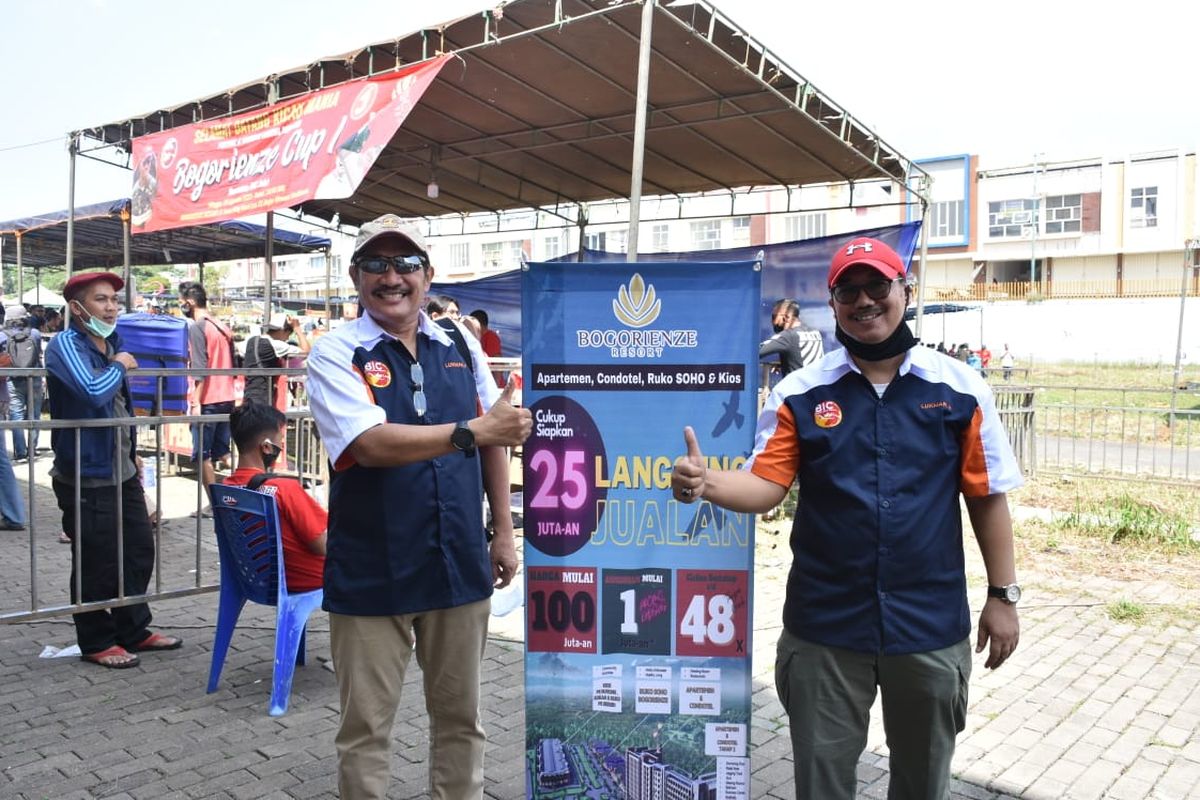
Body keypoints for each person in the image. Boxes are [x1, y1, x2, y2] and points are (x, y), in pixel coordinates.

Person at [671, 237, 1022, 800]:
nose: (864, 300)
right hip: (826, 626)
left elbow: (987, 496)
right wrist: (706, 481)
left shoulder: (959, 388)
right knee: (823, 780)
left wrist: (1003, 595)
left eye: (877, 286)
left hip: (928, 625)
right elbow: (767, 484)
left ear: (904, 290)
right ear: (832, 305)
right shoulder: (800, 394)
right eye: (848, 290)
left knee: (923, 779)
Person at [306, 213, 532, 799]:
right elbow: (369, 443)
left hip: (458, 561)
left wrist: (503, 532)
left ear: (427, 276)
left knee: (461, 723)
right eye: (376, 264)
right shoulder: (336, 352)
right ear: (356, 277)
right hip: (372, 567)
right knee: (365, 730)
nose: (392, 276)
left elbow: (495, 442)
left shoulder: (459, 343)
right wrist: (472, 431)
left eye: (405, 264)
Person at [45, 271, 181, 669]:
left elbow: (117, 406)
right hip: (85, 473)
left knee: (139, 549)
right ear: (77, 307)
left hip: (120, 468)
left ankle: (133, 628)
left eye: (115, 301)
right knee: (96, 559)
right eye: (102, 300)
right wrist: (120, 365)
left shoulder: (111, 342)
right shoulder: (65, 344)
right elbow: (92, 393)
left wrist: (132, 452)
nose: (111, 308)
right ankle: (96, 639)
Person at [225, 401, 325, 592]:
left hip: (253, 578)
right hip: (304, 581)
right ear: (266, 447)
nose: (282, 445)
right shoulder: (283, 489)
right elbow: (322, 546)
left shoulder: (227, 488)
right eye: (280, 439)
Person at [180, 283, 236, 492]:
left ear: (191, 302)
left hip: (208, 398)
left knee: (202, 454)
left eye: (182, 301)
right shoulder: (221, 326)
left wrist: (195, 402)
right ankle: (250, 487)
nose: (181, 305)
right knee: (223, 451)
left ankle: (214, 504)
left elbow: (199, 368)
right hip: (227, 396)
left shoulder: (198, 327)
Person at [242, 313, 310, 410]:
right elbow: (306, 352)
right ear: (283, 330)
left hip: (249, 392)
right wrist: (297, 329)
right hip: (263, 395)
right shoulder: (275, 345)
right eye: (289, 334)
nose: (287, 338)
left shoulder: (251, 341)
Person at [4, 304, 45, 461]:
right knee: (34, 414)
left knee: (16, 414)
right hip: (34, 377)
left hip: (12, 379)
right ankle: (32, 449)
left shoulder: (2, 335)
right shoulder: (34, 333)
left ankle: (20, 452)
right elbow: (38, 353)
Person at [759, 298, 825, 378]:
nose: (772, 322)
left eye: (774, 317)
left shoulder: (788, 336)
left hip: (799, 388)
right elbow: (801, 355)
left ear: (786, 317)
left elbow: (756, 351)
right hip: (818, 386)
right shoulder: (815, 332)